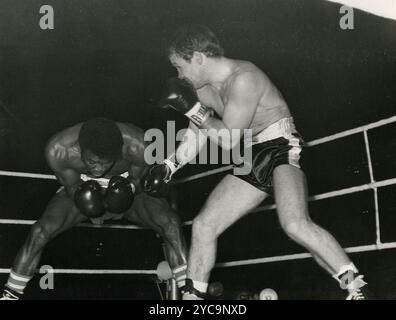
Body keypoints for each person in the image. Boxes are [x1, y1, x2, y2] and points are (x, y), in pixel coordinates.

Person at [143, 25, 372, 300]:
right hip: (252, 154)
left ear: (198, 57)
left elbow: (227, 139)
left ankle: (356, 288)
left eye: (180, 67)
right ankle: (193, 300)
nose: (179, 76)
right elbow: (198, 134)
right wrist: (170, 165)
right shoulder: (202, 90)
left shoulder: (244, 78)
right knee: (205, 224)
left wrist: (192, 109)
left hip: (280, 147)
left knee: (295, 223)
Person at [1, 117, 187, 300]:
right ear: (80, 150)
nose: (99, 168)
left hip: (128, 188)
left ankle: (190, 295)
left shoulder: (138, 144)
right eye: (92, 162)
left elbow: (138, 181)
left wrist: (126, 192)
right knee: (40, 231)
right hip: (82, 187)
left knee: (170, 223)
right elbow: (71, 187)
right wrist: (88, 202)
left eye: (106, 163)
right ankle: (9, 297)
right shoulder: (58, 150)